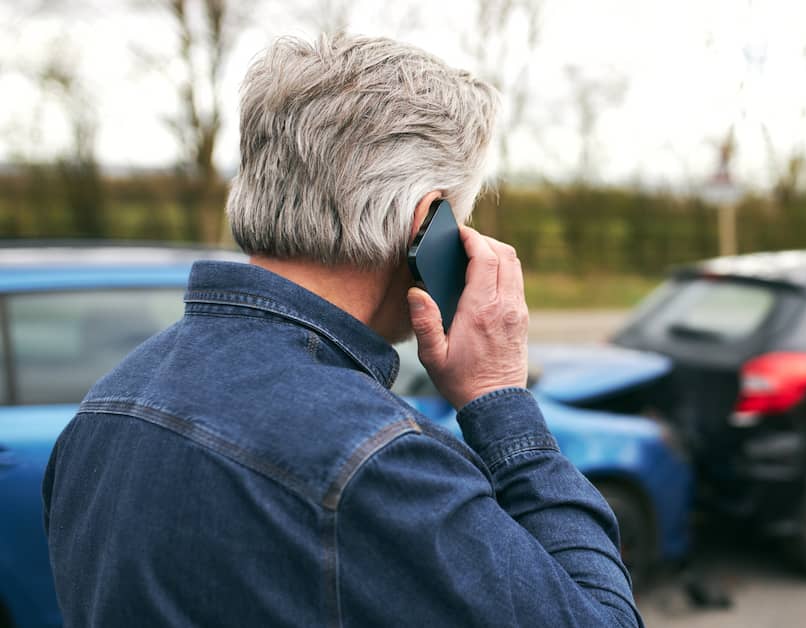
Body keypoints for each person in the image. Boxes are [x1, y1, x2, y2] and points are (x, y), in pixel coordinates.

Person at [42, 35, 642, 627]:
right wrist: (500, 399)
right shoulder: (377, 462)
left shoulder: (104, 407)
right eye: (459, 217)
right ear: (424, 225)